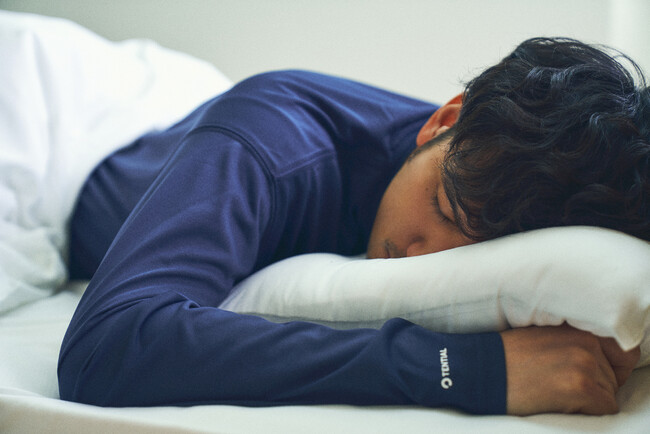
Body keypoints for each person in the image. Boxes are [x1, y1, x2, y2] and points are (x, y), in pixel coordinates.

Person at [59, 37, 647, 415]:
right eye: (444, 210)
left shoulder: (509, 168)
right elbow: (107, 348)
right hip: (82, 153)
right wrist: (463, 368)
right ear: (443, 121)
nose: (423, 261)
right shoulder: (275, 146)